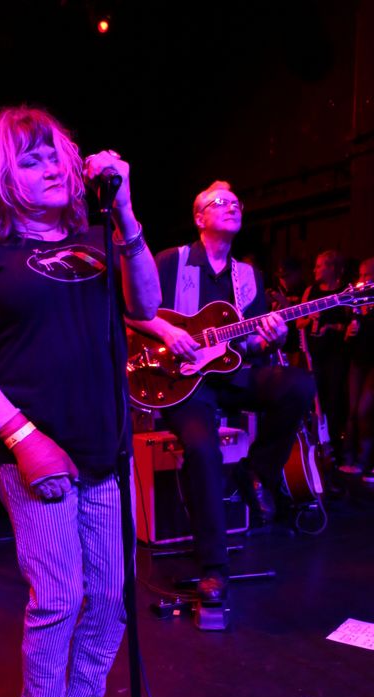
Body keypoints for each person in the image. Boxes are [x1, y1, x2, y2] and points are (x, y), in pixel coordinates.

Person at [0, 106, 160, 697]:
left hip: (104, 445)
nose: (51, 168)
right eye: (30, 159)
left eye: (56, 155)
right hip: (34, 449)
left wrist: (125, 215)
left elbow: (146, 307)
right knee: (60, 597)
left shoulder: (98, 234)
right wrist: (23, 437)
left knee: (112, 597)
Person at [127, 180, 315, 621]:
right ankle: (214, 568)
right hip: (182, 381)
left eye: (236, 202)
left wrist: (272, 338)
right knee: (202, 449)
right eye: (220, 202)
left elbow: (248, 344)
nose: (231, 206)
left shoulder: (247, 275)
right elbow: (133, 312)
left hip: (231, 374)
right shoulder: (171, 261)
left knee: (298, 385)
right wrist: (169, 333)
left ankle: (256, 472)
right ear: (199, 217)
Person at [298, 249, 350, 461]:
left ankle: (334, 448)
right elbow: (299, 322)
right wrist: (309, 318)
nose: (315, 270)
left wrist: (331, 327)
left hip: (337, 355)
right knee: (314, 400)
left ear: (331, 268)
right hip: (313, 355)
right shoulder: (310, 291)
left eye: (319, 266)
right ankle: (316, 446)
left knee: (334, 399)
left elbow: (351, 324)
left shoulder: (344, 291)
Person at [339, 256, 374, 480]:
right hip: (358, 361)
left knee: (365, 411)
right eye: (360, 275)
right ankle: (350, 460)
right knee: (352, 411)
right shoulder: (359, 302)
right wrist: (349, 333)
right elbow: (349, 339)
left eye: (367, 274)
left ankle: (365, 463)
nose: (362, 280)